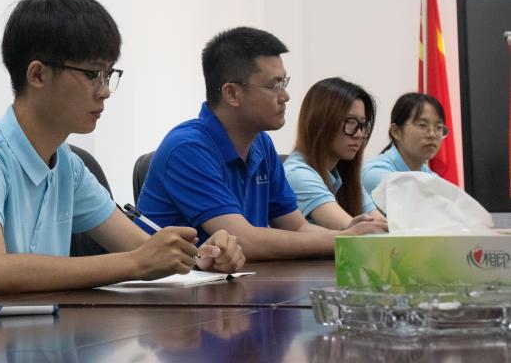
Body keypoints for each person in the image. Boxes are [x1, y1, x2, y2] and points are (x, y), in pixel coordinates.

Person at [0, 0, 244, 310]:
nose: (105, 91)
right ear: (38, 75)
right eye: (93, 74)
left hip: (29, 335)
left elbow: (143, 248)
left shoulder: (67, 165)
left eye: (108, 74)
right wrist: (136, 263)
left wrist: (201, 257)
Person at [136, 27, 387, 261]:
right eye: (274, 85)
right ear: (232, 94)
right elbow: (244, 240)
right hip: (174, 290)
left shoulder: (261, 144)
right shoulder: (187, 148)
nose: (285, 96)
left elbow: (298, 226)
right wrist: (343, 239)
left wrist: (350, 235)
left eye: (284, 83)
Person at [283, 78, 386, 230]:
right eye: (350, 122)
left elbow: (381, 224)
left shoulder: (341, 174)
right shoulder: (298, 174)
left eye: (363, 124)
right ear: (321, 122)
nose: (359, 134)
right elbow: (353, 233)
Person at [362, 92, 449, 191]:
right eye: (422, 125)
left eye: (438, 127)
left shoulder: (432, 178)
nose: (432, 134)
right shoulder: (375, 173)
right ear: (396, 132)